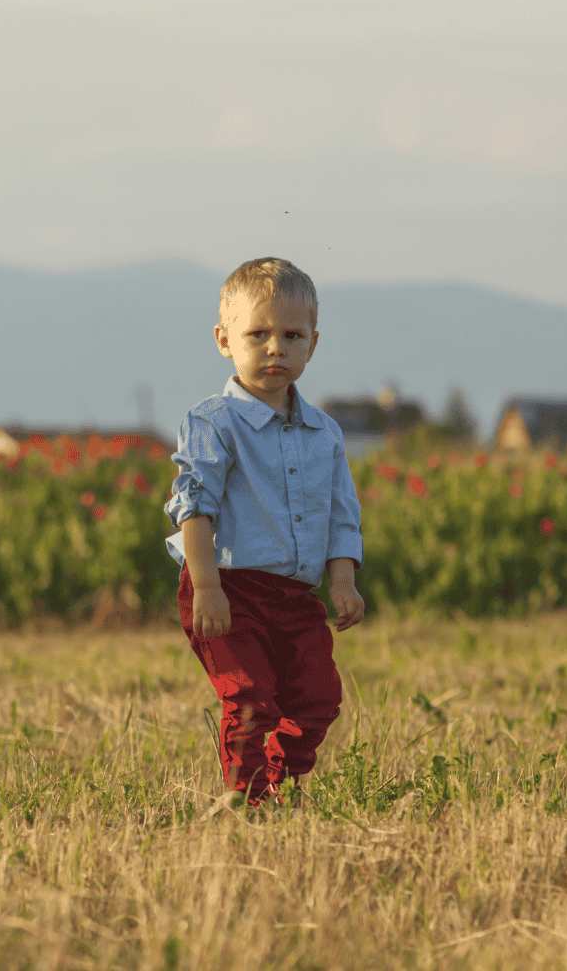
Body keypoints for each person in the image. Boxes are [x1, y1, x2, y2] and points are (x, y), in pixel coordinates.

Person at [164, 257, 365, 810]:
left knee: (318, 699)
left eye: (291, 335)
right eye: (258, 334)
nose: (275, 347)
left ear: (313, 344)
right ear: (224, 339)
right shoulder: (213, 423)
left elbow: (340, 513)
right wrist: (206, 587)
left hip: (294, 595)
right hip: (228, 585)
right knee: (250, 695)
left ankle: (281, 784)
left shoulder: (325, 433)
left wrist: (342, 581)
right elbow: (194, 508)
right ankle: (242, 794)